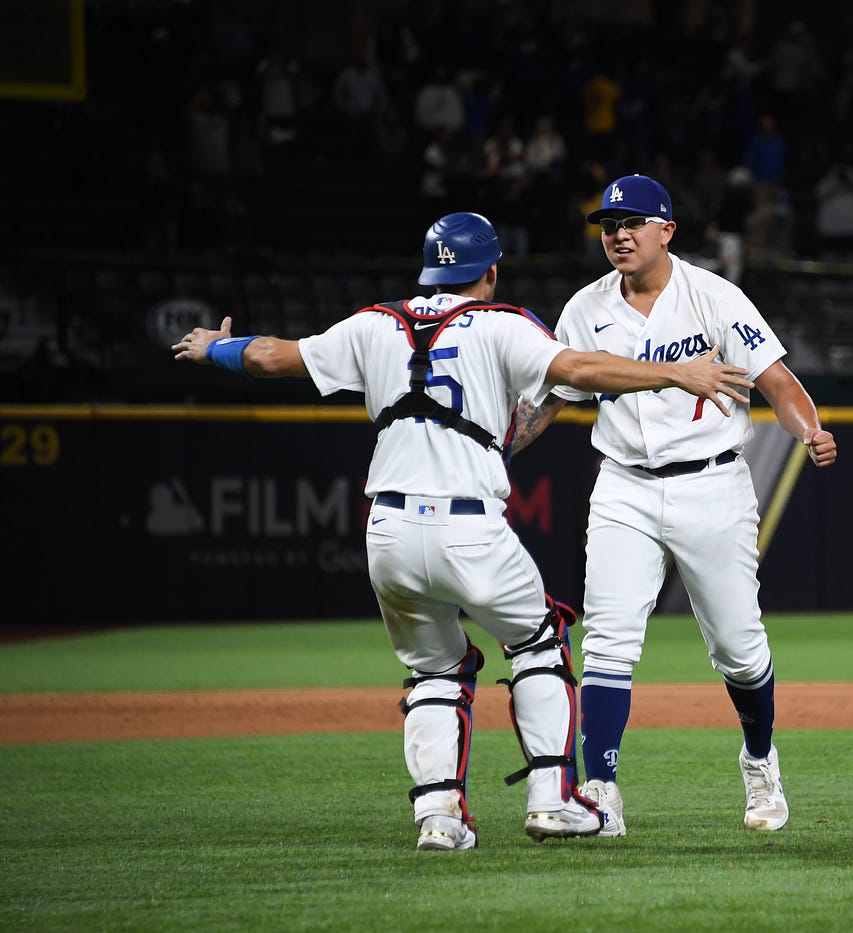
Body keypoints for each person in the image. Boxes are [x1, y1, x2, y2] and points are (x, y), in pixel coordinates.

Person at [171, 211, 754, 850]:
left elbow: (273, 356)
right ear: (492, 271)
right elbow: (583, 371)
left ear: (429, 270)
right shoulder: (502, 323)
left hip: (387, 531)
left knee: (432, 670)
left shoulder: (373, 324)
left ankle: (439, 819)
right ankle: (554, 801)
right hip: (468, 527)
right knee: (539, 643)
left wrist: (216, 349)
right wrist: (676, 371)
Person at [510, 174, 838, 835]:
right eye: (608, 224)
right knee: (607, 640)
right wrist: (497, 447)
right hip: (624, 485)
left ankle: (758, 758)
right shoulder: (586, 308)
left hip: (712, 484)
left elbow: (776, 377)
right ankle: (599, 790)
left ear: (667, 231)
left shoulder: (713, 297)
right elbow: (548, 400)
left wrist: (809, 428)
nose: (618, 234)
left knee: (741, 651)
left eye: (633, 222)